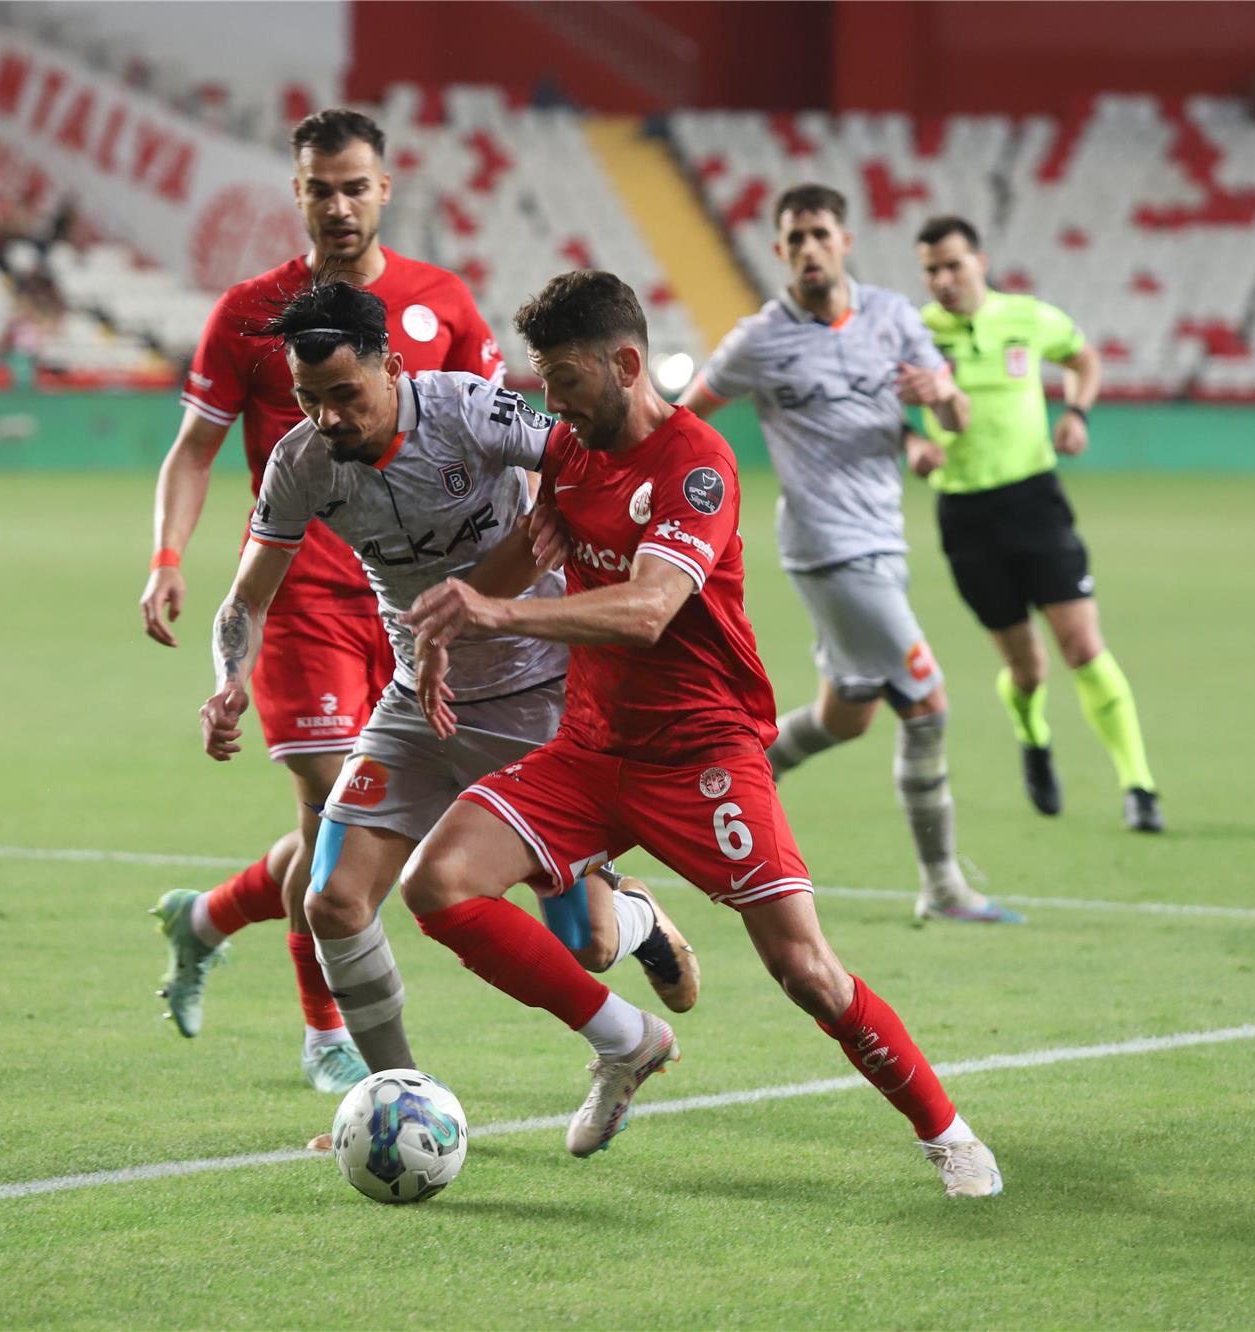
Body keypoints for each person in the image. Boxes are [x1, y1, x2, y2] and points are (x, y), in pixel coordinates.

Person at [397, 271, 1002, 1197]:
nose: (548, 400)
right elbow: (530, 553)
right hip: (592, 750)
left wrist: (494, 617)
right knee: (438, 884)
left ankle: (947, 1132)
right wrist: (451, 618)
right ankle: (626, 1040)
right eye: (542, 378)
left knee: (804, 970)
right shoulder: (569, 448)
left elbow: (646, 611)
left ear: (626, 363)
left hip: (702, 753)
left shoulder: (697, 463)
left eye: (563, 377)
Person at [196, 280, 700, 1078]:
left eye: (344, 394)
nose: (328, 417)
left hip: (541, 697)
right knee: (334, 900)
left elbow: (578, 456)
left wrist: (556, 526)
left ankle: (636, 920)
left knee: (587, 945)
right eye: (307, 399)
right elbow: (244, 601)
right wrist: (230, 678)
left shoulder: (467, 409)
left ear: (393, 367)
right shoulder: (302, 463)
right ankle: (398, 1096)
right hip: (417, 704)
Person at [139, 109, 540, 1092]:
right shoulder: (248, 311)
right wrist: (168, 555)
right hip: (304, 596)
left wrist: (523, 578)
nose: (339, 204)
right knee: (330, 813)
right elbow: (194, 445)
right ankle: (326, 1033)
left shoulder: (439, 301)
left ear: (385, 188)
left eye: (355, 185)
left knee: (371, 834)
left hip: (430, 603)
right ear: (299, 193)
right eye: (321, 187)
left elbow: (514, 452)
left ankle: (208, 918)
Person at [680, 183, 1017, 924]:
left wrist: (937, 407)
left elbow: (954, 414)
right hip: (828, 549)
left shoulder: (894, 318)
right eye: (794, 238)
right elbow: (684, 418)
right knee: (927, 704)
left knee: (847, 717)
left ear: (845, 240)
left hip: (884, 538)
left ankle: (706, 797)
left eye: (819, 234)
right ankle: (943, 886)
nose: (808, 249)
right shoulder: (759, 339)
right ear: (779, 251)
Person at [913, 216, 1163, 833]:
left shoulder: (1029, 317)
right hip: (965, 514)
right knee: (1029, 670)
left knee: (1082, 645)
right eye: (932, 270)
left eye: (953, 264)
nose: (944, 279)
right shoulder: (915, 333)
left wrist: (1078, 411)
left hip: (1035, 501)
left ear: (981, 261)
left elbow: (1084, 359)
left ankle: (1139, 785)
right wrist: (907, 442)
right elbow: (870, 402)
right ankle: (1033, 735)